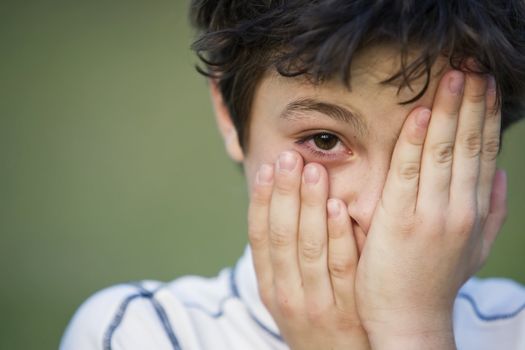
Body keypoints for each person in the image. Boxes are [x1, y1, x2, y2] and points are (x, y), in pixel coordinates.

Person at [60, 1, 525, 349]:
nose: (379, 212)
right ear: (227, 110)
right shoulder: (145, 332)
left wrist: (414, 327)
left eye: (429, 154)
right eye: (324, 140)